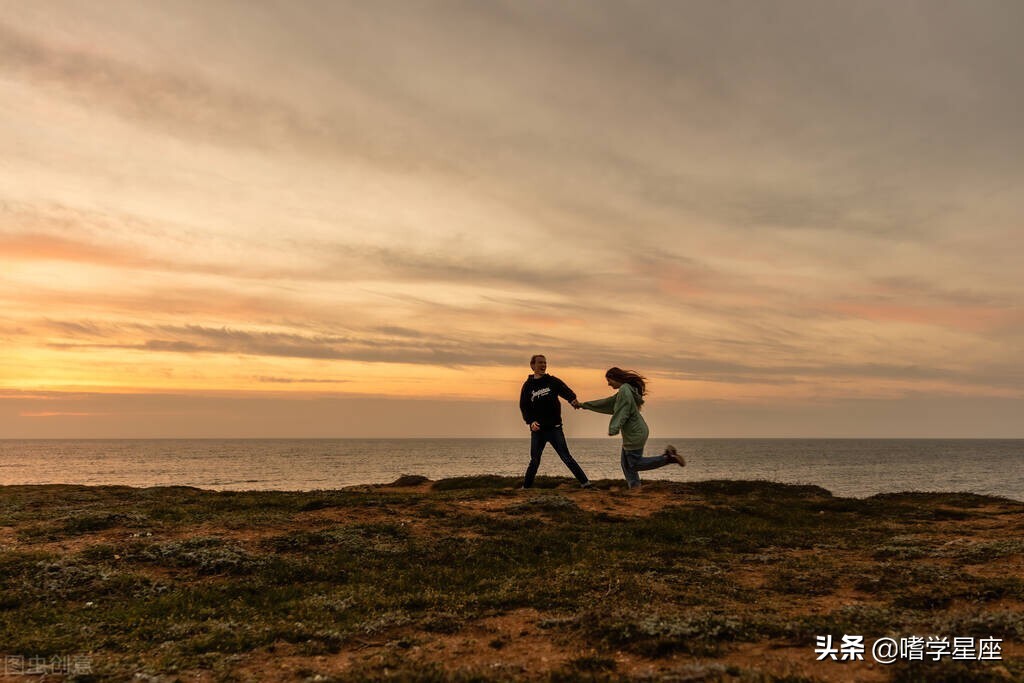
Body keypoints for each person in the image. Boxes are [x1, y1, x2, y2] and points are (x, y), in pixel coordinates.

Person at [579, 367, 685, 489]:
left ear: (616, 378)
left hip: (634, 433)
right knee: (626, 464)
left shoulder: (625, 390)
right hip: (636, 431)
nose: (608, 384)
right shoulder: (626, 390)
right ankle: (635, 487)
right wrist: (584, 405)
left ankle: (668, 458)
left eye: (609, 380)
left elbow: (624, 409)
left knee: (634, 464)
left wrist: (614, 427)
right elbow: (608, 403)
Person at [518, 354, 592, 489]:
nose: (543, 365)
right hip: (538, 430)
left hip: (554, 428)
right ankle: (526, 487)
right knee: (534, 461)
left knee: (566, 457)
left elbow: (565, 390)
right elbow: (524, 406)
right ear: (532, 365)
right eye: (540, 363)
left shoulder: (552, 381)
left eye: (545, 363)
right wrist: (530, 422)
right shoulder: (528, 385)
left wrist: (572, 400)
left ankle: (585, 483)